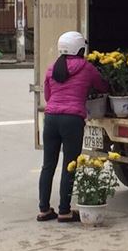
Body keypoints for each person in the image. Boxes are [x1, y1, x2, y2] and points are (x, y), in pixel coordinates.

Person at [37, 31, 109, 223]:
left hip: (51, 118)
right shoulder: (86, 68)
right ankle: (64, 211)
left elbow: (48, 95)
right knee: (69, 165)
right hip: (72, 120)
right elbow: (102, 86)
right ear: (80, 49)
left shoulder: (52, 68)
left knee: (48, 165)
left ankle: (44, 210)